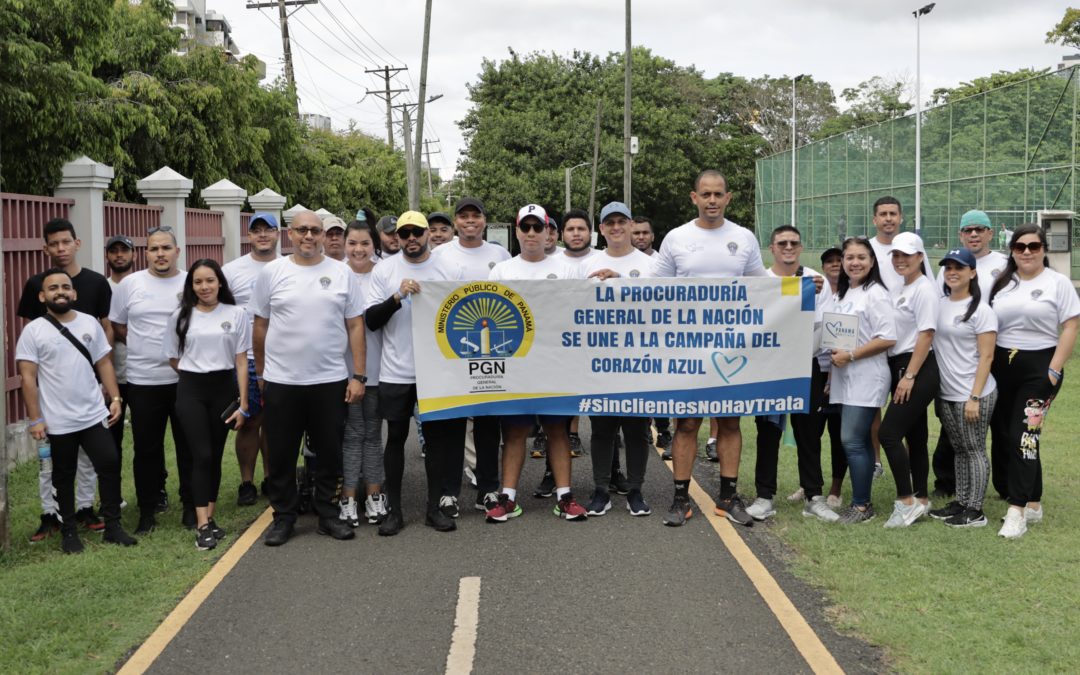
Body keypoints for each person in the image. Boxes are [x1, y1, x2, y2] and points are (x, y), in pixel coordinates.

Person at [652, 169, 767, 527]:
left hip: (731, 347)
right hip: (686, 350)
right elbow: (654, 290)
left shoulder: (744, 237)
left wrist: (799, 285)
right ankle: (681, 499)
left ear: (728, 198)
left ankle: (728, 498)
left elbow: (763, 287)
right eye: (706, 194)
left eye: (719, 194)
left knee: (730, 422)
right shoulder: (676, 238)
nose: (712, 201)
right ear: (694, 198)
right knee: (687, 424)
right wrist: (615, 281)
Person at [252, 210, 366, 546]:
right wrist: (261, 374)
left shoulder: (342, 273)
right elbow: (260, 325)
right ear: (290, 233)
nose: (309, 236)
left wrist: (358, 375)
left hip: (329, 379)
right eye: (302, 229)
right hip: (282, 380)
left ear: (323, 236)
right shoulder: (273, 273)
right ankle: (283, 517)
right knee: (282, 452)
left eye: (315, 231)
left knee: (329, 453)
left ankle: (327, 515)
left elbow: (355, 325)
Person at [16, 269, 137, 553]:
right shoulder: (33, 331)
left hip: (93, 414)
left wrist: (116, 398)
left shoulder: (89, 324)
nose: (60, 291)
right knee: (63, 476)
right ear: (42, 296)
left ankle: (113, 527)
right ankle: (69, 532)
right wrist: (36, 419)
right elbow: (27, 378)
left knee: (108, 464)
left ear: (74, 294)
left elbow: (104, 363)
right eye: (53, 288)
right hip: (58, 422)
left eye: (65, 287)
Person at [484, 204, 587, 523]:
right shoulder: (502, 271)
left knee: (557, 431)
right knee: (515, 431)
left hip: (554, 363)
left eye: (536, 227)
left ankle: (565, 496)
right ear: (516, 232)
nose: (531, 233)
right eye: (525, 227)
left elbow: (580, 313)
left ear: (548, 232)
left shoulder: (567, 269)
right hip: (517, 365)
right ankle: (508, 497)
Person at [365, 211, 465, 535]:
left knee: (436, 442)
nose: (410, 238)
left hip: (436, 370)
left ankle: (433, 508)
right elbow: (371, 319)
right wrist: (397, 296)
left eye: (416, 232)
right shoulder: (384, 270)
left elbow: (462, 313)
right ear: (398, 236)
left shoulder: (449, 268)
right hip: (396, 370)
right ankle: (394, 512)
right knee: (395, 439)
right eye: (404, 233)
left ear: (427, 235)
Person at [17, 218, 113, 540]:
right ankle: (51, 514)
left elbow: (104, 331)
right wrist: (36, 414)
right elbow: (36, 342)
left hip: (90, 384)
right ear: (46, 248)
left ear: (77, 243)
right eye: (53, 243)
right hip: (54, 395)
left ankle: (85, 508)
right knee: (53, 464)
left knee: (91, 459)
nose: (60, 248)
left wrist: (106, 386)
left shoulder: (97, 283)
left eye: (65, 242)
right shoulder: (35, 284)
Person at [988, 224, 1079, 538]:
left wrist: (1053, 368)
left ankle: (1017, 511)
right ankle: (1034, 503)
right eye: (1020, 246)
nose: (1027, 252)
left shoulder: (1057, 283)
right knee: (1004, 434)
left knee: (1024, 437)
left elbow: (1070, 326)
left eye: (1034, 246)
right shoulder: (1003, 282)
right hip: (1001, 368)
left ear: (1043, 249)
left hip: (1039, 368)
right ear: (1012, 250)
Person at [749, 225, 838, 523]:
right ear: (772, 248)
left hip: (805, 365)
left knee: (809, 433)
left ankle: (814, 497)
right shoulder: (760, 280)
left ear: (800, 247)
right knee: (768, 432)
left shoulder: (816, 280)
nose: (788, 247)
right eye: (782, 243)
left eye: (794, 243)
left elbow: (822, 326)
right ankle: (764, 496)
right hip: (770, 366)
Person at [430, 197, 511, 513]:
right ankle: (449, 491)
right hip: (451, 349)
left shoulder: (499, 254)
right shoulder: (440, 254)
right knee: (452, 424)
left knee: (489, 425)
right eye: (463, 216)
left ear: (484, 220)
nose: (469, 221)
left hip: (492, 349)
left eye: (475, 216)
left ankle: (489, 489)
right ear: (455, 222)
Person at [109, 226, 191, 534]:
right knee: (146, 449)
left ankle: (190, 505)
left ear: (177, 251)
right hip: (142, 380)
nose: (160, 254)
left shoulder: (189, 283)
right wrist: (146, 347)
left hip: (184, 380)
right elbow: (117, 325)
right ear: (146, 253)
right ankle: (147, 511)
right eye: (154, 249)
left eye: (166, 248)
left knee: (188, 446)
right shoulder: (130, 285)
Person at [165, 260, 250, 550]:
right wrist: (194, 376)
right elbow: (173, 358)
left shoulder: (236, 313)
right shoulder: (180, 316)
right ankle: (201, 525)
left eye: (210, 281)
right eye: (198, 282)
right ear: (191, 286)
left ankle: (210, 518)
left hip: (224, 390)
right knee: (200, 454)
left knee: (213, 456)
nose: (204, 287)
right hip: (191, 389)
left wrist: (244, 403)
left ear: (220, 283)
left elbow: (241, 361)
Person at [581, 201, 655, 517]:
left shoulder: (652, 264)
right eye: (609, 222)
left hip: (640, 358)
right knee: (602, 429)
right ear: (601, 228)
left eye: (621, 221)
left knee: (637, 430)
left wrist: (620, 279)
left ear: (629, 225)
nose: (615, 227)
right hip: (600, 359)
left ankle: (635, 491)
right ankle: (601, 490)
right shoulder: (586, 263)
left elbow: (661, 304)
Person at [930, 209, 1008, 498]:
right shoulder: (946, 270)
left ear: (990, 233)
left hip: (992, 347)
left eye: (980, 229)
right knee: (954, 429)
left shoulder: (1003, 263)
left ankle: (999, 486)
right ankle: (949, 484)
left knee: (994, 426)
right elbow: (941, 302)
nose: (974, 234)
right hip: (957, 352)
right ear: (961, 234)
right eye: (968, 230)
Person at [828, 237, 896, 524]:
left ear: (872, 261)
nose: (855, 263)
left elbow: (888, 337)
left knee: (852, 440)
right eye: (850, 257)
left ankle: (861, 506)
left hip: (867, 376)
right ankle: (862, 501)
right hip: (845, 376)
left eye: (861, 257)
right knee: (861, 444)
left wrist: (852, 355)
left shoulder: (876, 293)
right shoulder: (844, 294)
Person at [928, 248, 998, 528]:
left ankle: (976, 511)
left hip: (973, 393)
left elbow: (987, 357)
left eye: (959, 267)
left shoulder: (981, 310)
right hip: (947, 393)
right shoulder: (940, 303)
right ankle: (962, 501)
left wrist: (974, 397)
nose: (952, 272)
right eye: (948, 268)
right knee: (958, 448)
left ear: (972, 272)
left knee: (974, 449)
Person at [878, 232, 938, 528]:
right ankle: (922, 498)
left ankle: (905, 501)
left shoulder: (924, 289)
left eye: (907, 255)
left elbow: (927, 334)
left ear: (919, 257)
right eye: (896, 255)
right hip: (901, 364)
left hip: (916, 366)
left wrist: (910, 376)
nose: (900, 260)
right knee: (915, 435)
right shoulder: (903, 287)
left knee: (888, 434)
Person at [221, 212, 279, 506]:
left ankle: (271, 478)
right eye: (256, 230)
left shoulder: (287, 266)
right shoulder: (232, 271)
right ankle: (247, 482)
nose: (262, 235)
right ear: (249, 236)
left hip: (281, 355)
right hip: (246, 356)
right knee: (249, 419)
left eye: (268, 230)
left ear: (278, 234)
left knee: (273, 421)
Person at [338, 219, 388, 527]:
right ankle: (347, 497)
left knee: (372, 434)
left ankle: (374, 495)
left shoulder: (385, 274)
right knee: (352, 434)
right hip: (342, 370)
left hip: (380, 368)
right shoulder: (334, 275)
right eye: (352, 243)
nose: (358, 249)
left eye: (365, 243)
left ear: (375, 245)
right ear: (344, 245)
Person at [633, 215, 674, 457]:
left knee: (660, 384)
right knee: (637, 382)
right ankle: (642, 426)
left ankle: (663, 428)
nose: (640, 237)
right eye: (636, 233)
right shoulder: (624, 260)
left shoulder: (662, 262)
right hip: (633, 333)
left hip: (659, 330)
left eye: (644, 233)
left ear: (652, 236)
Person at [104, 235, 135, 486]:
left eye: (123, 250)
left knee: (148, 437)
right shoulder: (101, 288)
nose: (119, 255)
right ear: (107, 256)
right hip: (113, 376)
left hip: (143, 373)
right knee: (111, 438)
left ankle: (156, 489)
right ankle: (112, 496)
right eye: (113, 251)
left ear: (133, 254)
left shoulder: (142, 285)